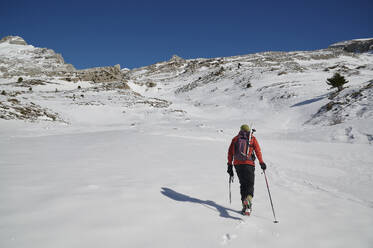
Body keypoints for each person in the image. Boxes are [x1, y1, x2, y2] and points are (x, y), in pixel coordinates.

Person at [227, 124, 266, 215]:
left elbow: (230, 153)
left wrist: (229, 165)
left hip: (238, 165)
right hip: (249, 165)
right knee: (250, 184)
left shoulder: (235, 139)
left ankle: (244, 206)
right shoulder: (252, 139)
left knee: (243, 184)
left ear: (240, 130)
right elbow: (257, 151)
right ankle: (248, 199)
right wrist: (261, 162)